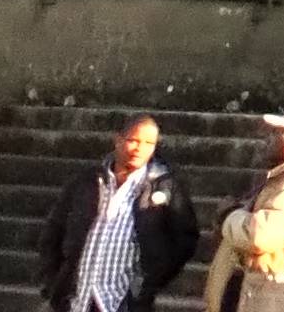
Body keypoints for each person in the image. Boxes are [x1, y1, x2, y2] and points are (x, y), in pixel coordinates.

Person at [34, 114, 199, 312]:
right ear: (118, 139)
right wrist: (53, 283)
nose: (139, 149)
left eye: (148, 143)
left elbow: (184, 240)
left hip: (123, 302)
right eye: (133, 141)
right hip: (77, 300)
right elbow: (53, 232)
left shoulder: (165, 188)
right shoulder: (87, 182)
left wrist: (148, 282)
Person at [202, 109, 284, 312]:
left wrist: (229, 215)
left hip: (267, 298)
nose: (266, 139)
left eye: (274, 133)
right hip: (256, 294)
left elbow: (262, 236)